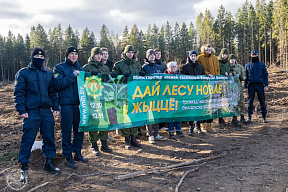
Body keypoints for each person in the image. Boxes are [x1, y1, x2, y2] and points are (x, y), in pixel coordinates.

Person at [14, 48, 61, 183]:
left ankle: (49, 163)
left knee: (49, 137)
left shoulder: (48, 74)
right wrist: (21, 110)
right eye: (36, 55)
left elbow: (52, 92)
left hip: (46, 111)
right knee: (28, 139)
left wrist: (55, 107)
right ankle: (24, 167)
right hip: (31, 112)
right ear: (32, 57)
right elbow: (19, 93)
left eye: (41, 56)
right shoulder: (24, 73)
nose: (39, 57)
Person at [53, 46, 88, 168]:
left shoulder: (80, 68)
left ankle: (77, 153)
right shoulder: (59, 68)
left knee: (79, 130)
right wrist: (72, 76)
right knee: (67, 132)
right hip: (66, 105)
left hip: (79, 105)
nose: (74, 56)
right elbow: (57, 84)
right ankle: (68, 157)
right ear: (67, 55)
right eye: (71, 54)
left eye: (75, 54)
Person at [112, 45, 144, 149]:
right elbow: (113, 77)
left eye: (132, 52)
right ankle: (126, 139)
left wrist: (144, 75)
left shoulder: (137, 65)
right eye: (128, 52)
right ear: (125, 53)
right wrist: (121, 77)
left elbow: (141, 79)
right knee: (125, 116)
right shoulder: (119, 65)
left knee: (134, 115)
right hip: (123, 93)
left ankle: (134, 138)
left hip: (135, 94)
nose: (130, 54)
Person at [83, 47, 112, 156]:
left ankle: (104, 144)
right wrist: (89, 76)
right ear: (92, 55)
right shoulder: (87, 67)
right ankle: (94, 145)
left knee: (105, 120)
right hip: (92, 98)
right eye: (97, 54)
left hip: (104, 97)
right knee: (94, 121)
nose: (99, 56)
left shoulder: (105, 67)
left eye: (100, 54)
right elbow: (82, 82)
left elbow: (109, 82)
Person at [181, 50, 206, 136]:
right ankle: (191, 128)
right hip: (189, 91)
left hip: (199, 91)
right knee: (191, 108)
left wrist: (208, 76)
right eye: (192, 56)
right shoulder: (185, 67)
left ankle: (198, 126)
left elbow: (203, 76)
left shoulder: (200, 67)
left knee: (198, 108)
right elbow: (182, 77)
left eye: (195, 56)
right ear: (189, 57)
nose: (193, 57)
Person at [142, 49, 164, 143]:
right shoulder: (144, 67)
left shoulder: (159, 67)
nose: (152, 56)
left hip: (158, 94)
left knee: (157, 113)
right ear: (147, 56)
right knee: (149, 114)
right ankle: (150, 134)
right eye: (149, 55)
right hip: (148, 93)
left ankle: (156, 133)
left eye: (153, 55)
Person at [197, 44, 220, 131]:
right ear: (203, 49)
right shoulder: (200, 58)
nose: (208, 51)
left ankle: (209, 124)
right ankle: (203, 124)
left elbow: (218, 69)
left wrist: (217, 77)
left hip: (214, 82)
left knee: (212, 103)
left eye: (209, 49)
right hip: (204, 83)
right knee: (205, 103)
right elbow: (200, 69)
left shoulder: (214, 58)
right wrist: (207, 74)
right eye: (206, 50)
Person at [244, 50, 269, 123]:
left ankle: (264, 117)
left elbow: (265, 75)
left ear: (257, 55)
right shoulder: (247, 65)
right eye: (253, 55)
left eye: (255, 55)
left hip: (260, 85)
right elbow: (245, 76)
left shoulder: (262, 64)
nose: (254, 56)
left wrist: (266, 85)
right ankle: (249, 117)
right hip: (251, 86)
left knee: (262, 101)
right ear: (251, 55)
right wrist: (245, 87)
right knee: (249, 102)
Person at [164, 61, 183, 139]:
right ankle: (171, 131)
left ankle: (179, 129)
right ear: (168, 68)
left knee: (178, 113)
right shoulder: (165, 76)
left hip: (178, 97)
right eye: (171, 67)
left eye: (174, 67)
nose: (173, 68)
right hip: (169, 98)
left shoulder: (181, 76)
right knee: (170, 114)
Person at [229, 54, 247, 126]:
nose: (232, 60)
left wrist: (240, 77)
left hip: (238, 87)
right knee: (232, 103)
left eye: (233, 59)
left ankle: (242, 116)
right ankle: (234, 118)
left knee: (241, 101)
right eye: (231, 59)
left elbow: (245, 77)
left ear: (235, 59)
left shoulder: (240, 67)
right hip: (230, 88)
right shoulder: (228, 67)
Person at [217, 48, 232, 127]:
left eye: (226, 54)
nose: (224, 56)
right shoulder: (217, 61)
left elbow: (230, 70)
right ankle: (219, 118)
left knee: (224, 101)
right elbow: (216, 70)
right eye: (223, 54)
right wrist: (223, 73)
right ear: (221, 54)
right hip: (218, 84)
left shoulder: (228, 63)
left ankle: (223, 117)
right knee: (218, 101)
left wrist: (230, 73)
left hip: (226, 84)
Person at [154, 48, 168, 131]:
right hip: (153, 89)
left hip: (162, 88)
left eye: (159, 53)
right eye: (156, 53)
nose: (158, 55)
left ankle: (162, 125)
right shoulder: (149, 64)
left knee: (162, 106)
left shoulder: (163, 65)